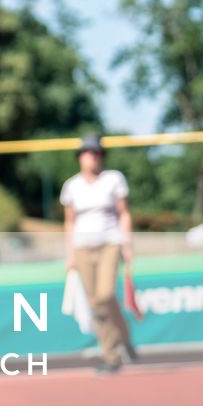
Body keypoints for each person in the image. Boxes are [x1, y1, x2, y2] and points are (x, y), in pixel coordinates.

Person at [61, 135, 134, 374]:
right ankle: (112, 353)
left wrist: (127, 243)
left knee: (105, 295)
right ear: (81, 157)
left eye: (97, 153)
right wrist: (69, 253)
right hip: (82, 247)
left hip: (109, 243)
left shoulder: (113, 180)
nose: (93, 157)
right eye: (88, 153)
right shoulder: (72, 186)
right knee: (96, 303)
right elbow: (70, 222)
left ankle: (120, 339)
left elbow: (123, 213)